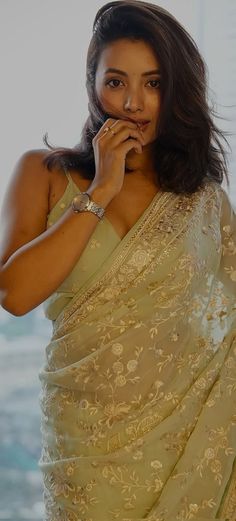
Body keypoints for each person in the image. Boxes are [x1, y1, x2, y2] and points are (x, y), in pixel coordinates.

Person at [0, 0, 235, 519]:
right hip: (88, 449)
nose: (132, 103)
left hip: (190, 444)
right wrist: (102, 188)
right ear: (92, 84)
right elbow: (14, 294)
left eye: (153, 83)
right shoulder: (43, 172)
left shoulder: (203, 198)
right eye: (116, 82)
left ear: (176, 90)